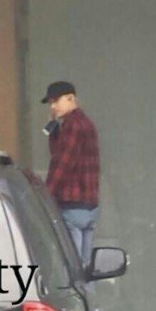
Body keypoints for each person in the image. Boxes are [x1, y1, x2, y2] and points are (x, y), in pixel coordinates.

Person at [41, 81, 100, 266]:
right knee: (85, 265)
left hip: (71, 203)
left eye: (55, 101)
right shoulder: (86, 123)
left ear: (71, 98)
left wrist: (45, 196)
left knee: (71, 264)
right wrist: (53, 129)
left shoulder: (72, 126)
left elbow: (61, 163)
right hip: (89, 205)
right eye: (50, 103)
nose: (52, 106)